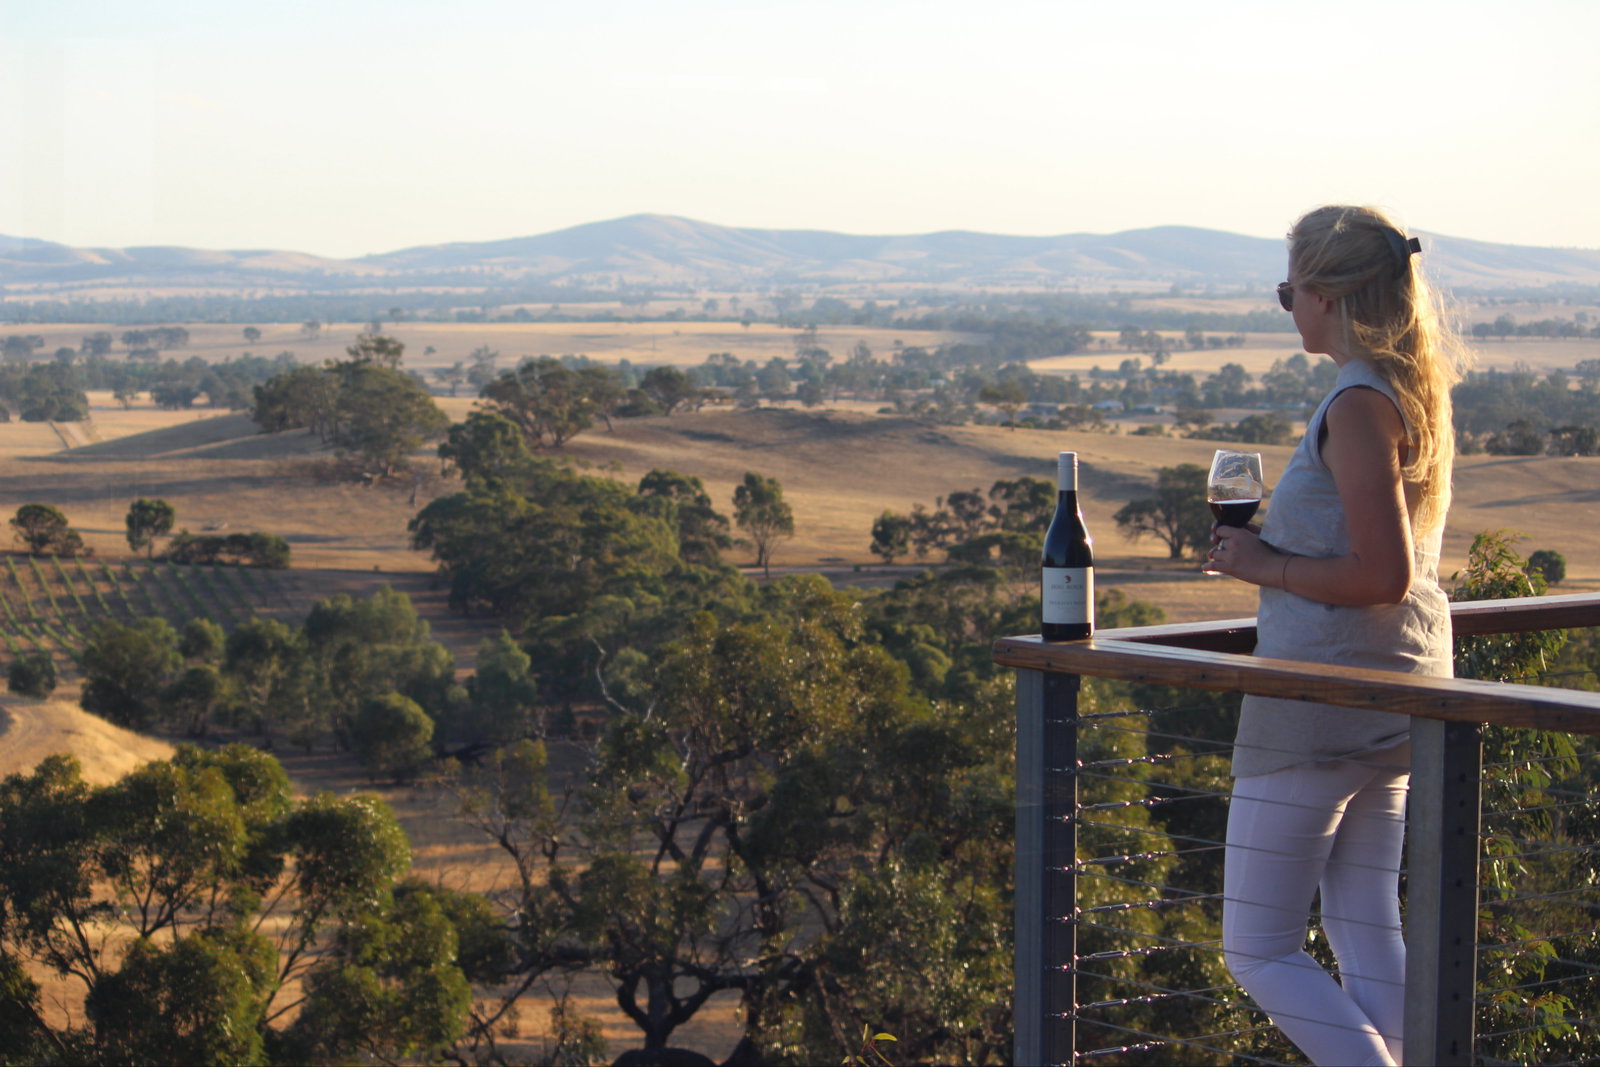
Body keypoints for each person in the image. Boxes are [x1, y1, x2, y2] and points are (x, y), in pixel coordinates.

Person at [1204, 204, 1465, 1066]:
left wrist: (1265, 564)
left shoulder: (1356, 403)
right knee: (1365, 931)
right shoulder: (1409, 392)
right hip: (1395, 690)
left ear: (1326, 294)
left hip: (1320, 699)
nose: (1289, 310)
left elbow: (1380, 572)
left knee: (1259, 949)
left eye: (1288, 293)